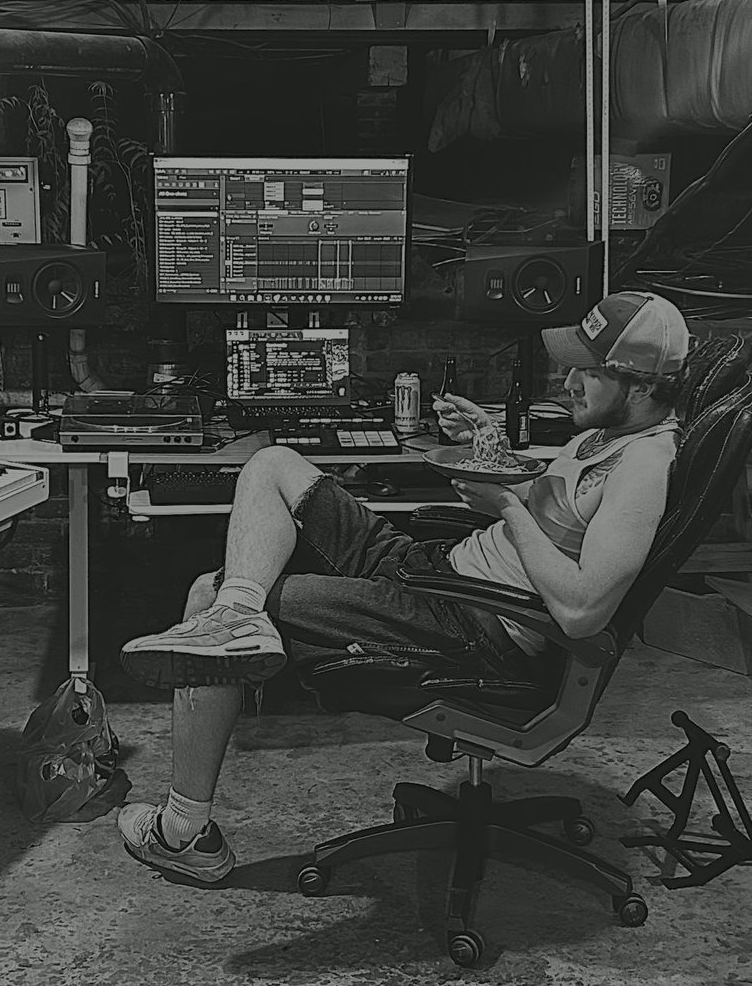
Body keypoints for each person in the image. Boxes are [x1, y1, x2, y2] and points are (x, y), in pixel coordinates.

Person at [116, 290, 690, 883]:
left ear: (642, 385)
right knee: (273, 464)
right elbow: (558, 515)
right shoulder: (605, 434)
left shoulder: (643, 469)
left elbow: (581, 613)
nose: (568, 382)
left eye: (588, 372)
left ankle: (184, 834)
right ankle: (241, 613)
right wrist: (488, 445)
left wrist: (505, 509)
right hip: (437, 572)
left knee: (204, 594)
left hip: (471, 625)